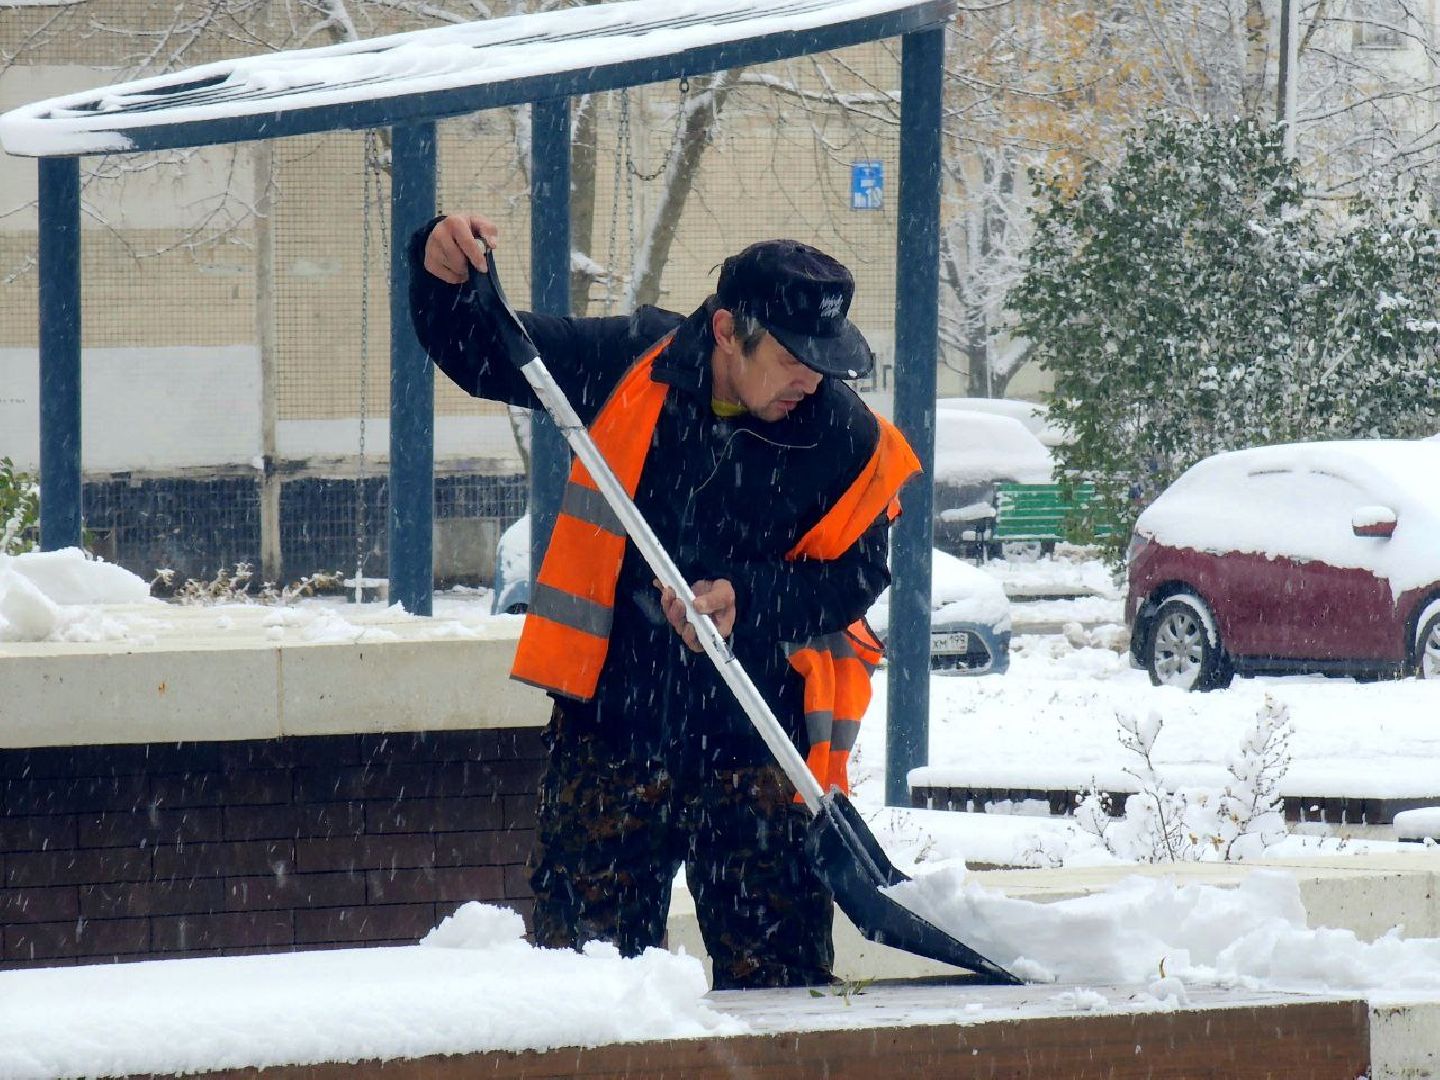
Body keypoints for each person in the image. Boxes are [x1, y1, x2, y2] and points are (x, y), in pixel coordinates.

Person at [409, 213, 919, 990]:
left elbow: (858, 574)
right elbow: (487, 352)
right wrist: (438, 270)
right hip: (615, 735)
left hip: (759, 748)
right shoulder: (629, 365)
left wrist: (749, 597)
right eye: (792, 357)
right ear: (727, 331)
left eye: (825, 360)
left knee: (782, 993)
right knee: (588, 985)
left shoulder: (845, 439)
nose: (812, 380)